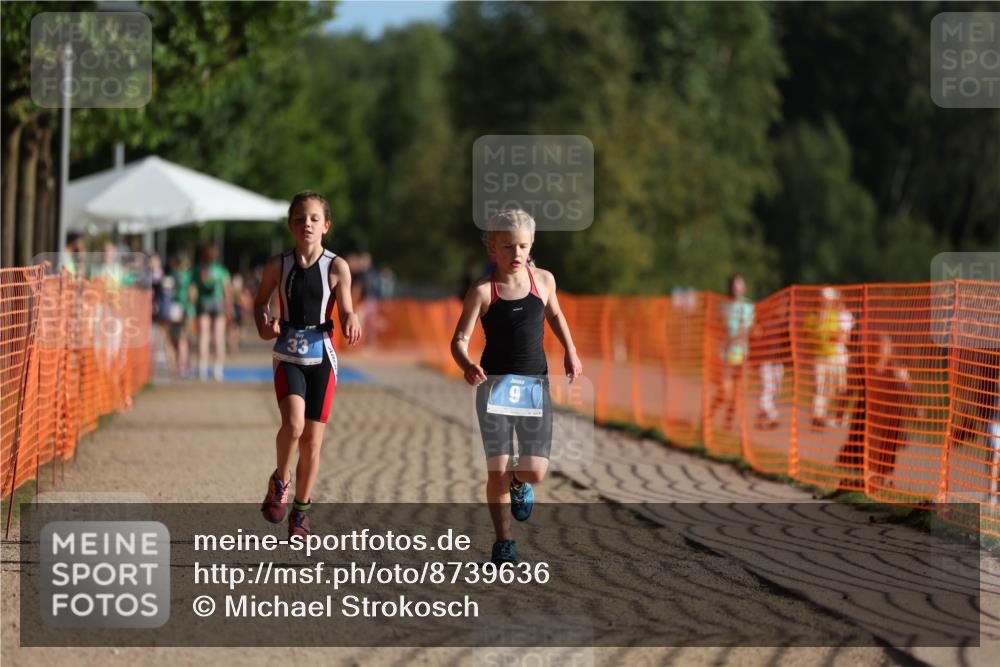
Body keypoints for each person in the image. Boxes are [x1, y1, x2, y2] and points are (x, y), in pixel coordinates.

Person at [451, 209, 582, 565]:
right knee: (496, 469)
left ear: (532, 244)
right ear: (493, 246)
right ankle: (504, 541)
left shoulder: (544, 281)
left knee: (535, 470)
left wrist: (570, 351)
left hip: (535, 387)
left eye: (522, 245)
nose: (516, 253)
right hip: (493, 388)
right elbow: (458, 341)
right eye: (507, 246)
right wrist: (467, 365)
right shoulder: (481, 291)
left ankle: (519, 482)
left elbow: (555, 315)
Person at [254, 191, 361, 537]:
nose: (307, 225)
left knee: (313, 441)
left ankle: (301, 511)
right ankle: (280, 480)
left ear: (326, 225)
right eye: (300, 219)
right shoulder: (278, 265)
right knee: (294, 425)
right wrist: (264, 322)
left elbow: (345, 308)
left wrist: (350, 319)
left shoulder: (337, 266)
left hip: (323, 355)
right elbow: (260, 304)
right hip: (288, 352)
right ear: (291, 225)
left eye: (314, 219)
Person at [707, 275, 755, 432]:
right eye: (735, 286)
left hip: (742, 355)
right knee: (725, 391)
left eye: (740, 286)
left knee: (738, 393)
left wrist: (741, 334)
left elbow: (748, 330)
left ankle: (728, 422)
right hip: (726, 355)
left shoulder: (748, 307)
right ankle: (710, 413)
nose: (737, 289)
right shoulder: (723, 306)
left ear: (744, 288)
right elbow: (716, 326)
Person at [806, 287, 854, 428]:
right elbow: (810, 336)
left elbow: (843, 336)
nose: (826, 303)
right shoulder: (811, 317)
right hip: (818, 357)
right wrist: (826, 334)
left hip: (832, 357)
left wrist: (837, 336)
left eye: (828, 301)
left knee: (831, 389)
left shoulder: (834, 316)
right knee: (819, 388)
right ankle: (817, 417)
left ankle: (820, 414)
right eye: (824, 301)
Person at [189, 244, 231, 381]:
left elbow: (192, 292)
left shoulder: (197, 270)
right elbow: (227, 291)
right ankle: (217, 370)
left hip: (203, 303)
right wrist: (228, 307)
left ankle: (202, 369)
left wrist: (191, 305)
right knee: (218, 337)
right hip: (217, 303)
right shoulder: (221, 270)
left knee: (203, 337)